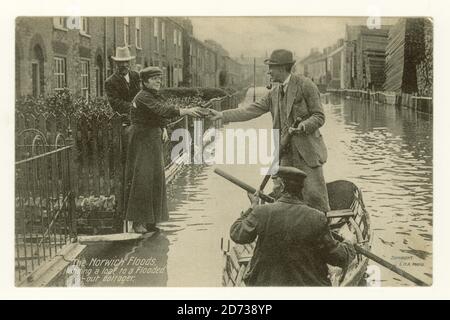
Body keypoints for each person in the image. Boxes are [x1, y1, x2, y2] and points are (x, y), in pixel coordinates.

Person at [209, 49, 330, 212]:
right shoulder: (273, 93)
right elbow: (250, 110)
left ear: (282, 68)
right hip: (284, 153)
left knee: (315, 199)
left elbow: (319, 116)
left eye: (271, 67)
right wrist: (222, 115)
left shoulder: (306, 85)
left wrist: (304, 126)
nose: (268, 72)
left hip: (307, 153)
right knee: (285, 198)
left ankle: (323, 231)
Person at [230, 166, 356, 286]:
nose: (273, 189)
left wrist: (252, 207)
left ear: (283, 186)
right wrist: (349, 243)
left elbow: (237, 234)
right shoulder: (317, 217)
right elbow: (338, 257)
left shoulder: (261, 212)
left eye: (275, 184)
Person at [124, 66, 208, 233]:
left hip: (152, 139)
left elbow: (158, 115)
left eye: (159, 78)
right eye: (155, 79)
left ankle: (151, 221)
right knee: (142, 179)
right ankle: (138, 223)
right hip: (142, 140)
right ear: (145, 81)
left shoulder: (153, 95)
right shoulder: (142, 97)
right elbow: (161, 110)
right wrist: (186, 111)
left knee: (156, 178)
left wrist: (162, 128)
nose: (158, 81)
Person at [105, 46, 141, 117]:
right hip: (122, 118)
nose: (124, 65)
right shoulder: (110, 82)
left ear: (130, 63)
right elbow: (116, 103)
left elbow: (141, 93)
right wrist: (135, 107)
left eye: (126, 61)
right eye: (121, 62)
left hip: (139, 117)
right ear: (116, 63)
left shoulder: (136, 76)